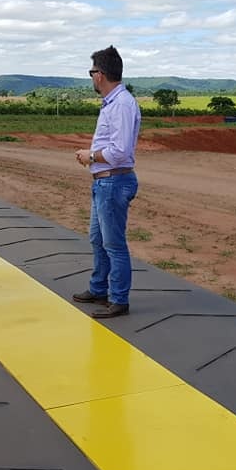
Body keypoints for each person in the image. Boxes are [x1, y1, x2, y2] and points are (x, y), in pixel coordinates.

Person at [73, 46, 140, 319]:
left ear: (100, 74)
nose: (91, 78)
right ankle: (99, 288)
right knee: (97, 239)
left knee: (113, 244)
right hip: (104, 182)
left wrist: (89, 156)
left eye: (92, 73)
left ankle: (119, 299)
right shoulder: (113, 103)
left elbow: (120, 151)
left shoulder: (122, 105)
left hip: (113, 182)